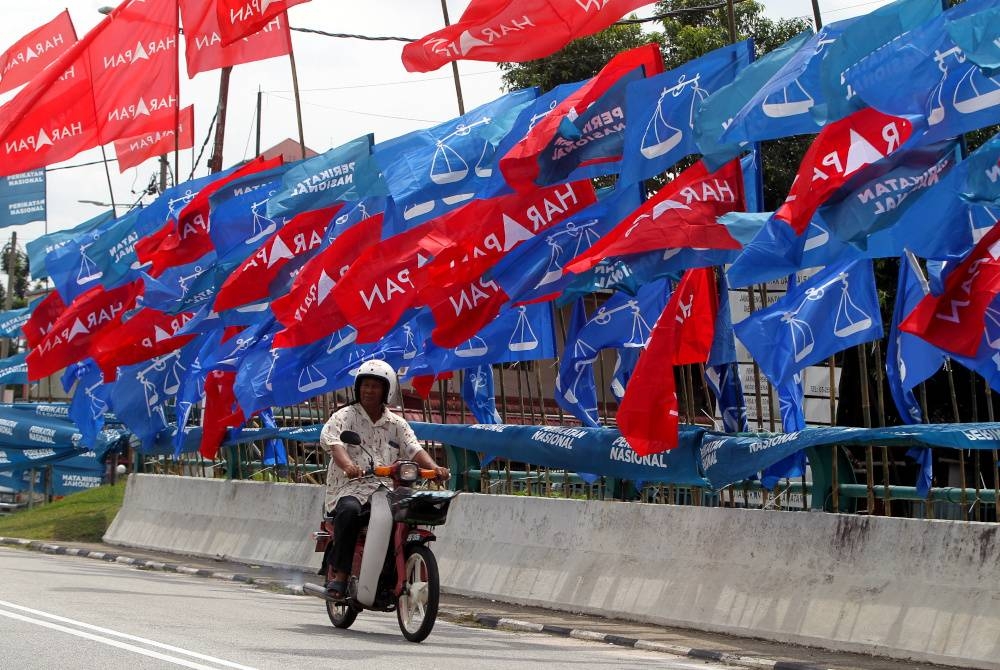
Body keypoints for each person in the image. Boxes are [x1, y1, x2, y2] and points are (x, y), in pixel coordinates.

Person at [319, 360, 449, 599]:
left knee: (408, 516)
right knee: (348, 512)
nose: (368, 391)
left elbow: (413, 448)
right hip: (352, 487)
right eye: (365, 385)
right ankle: (340, 577)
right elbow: (334, 443)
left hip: (389, 489)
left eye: (375, 386)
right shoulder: (345, 416)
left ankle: (391, 574)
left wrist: (434, 467)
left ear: (386, 391)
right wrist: (348, 465)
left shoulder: (396, 423)